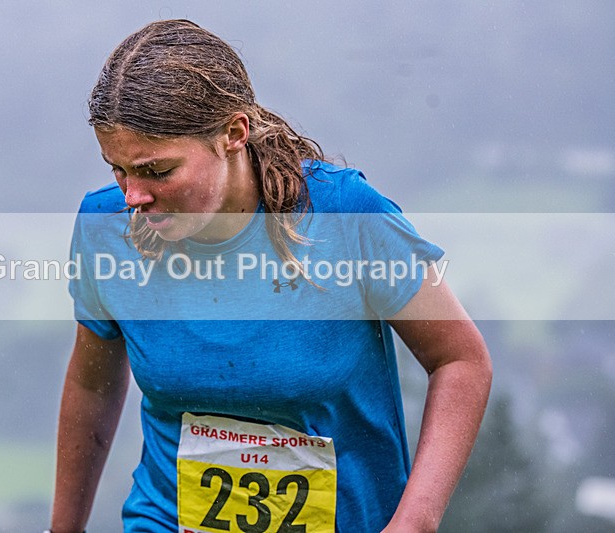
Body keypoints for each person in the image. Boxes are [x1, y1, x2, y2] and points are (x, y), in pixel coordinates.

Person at [50, 19, 492, 533]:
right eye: (118, 170)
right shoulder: (106, 228)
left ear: (233, 134)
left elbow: (460, 359)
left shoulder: (346, 215)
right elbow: (92, 385)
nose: (132, 196)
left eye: (158, 170)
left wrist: (414, 522)